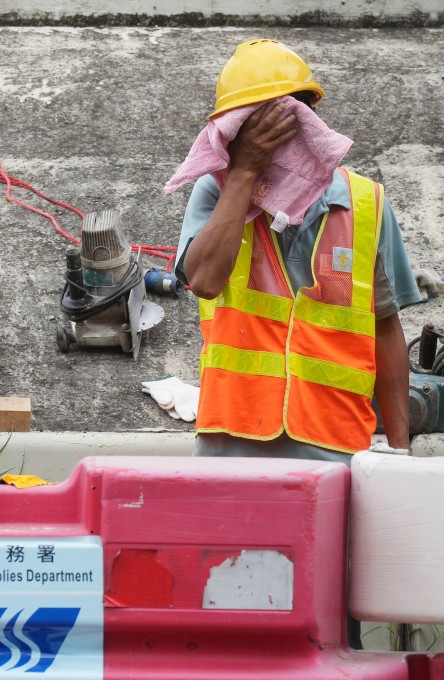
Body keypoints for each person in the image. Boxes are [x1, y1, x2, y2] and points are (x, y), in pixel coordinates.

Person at [172, 39, 422, 465]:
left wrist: (400, 450)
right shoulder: (217, 191)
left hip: (335, 444)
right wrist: (244, 173)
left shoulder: (366, 203)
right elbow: (206, 282)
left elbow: (385, 330)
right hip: (232, 441)